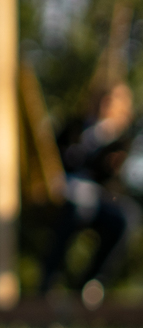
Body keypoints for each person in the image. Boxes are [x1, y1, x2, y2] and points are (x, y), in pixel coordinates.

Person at [40, 82, 138, 307]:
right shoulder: (74, 127)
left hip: (100, 199)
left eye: (113, 102)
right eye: (104, 99)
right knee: (75, 210)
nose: (106, 105)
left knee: (126, 217)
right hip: (65, 195)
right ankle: (48, 281)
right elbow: (51, 158)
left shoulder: (121, 140)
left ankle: (91, 283)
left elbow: (114, 179)